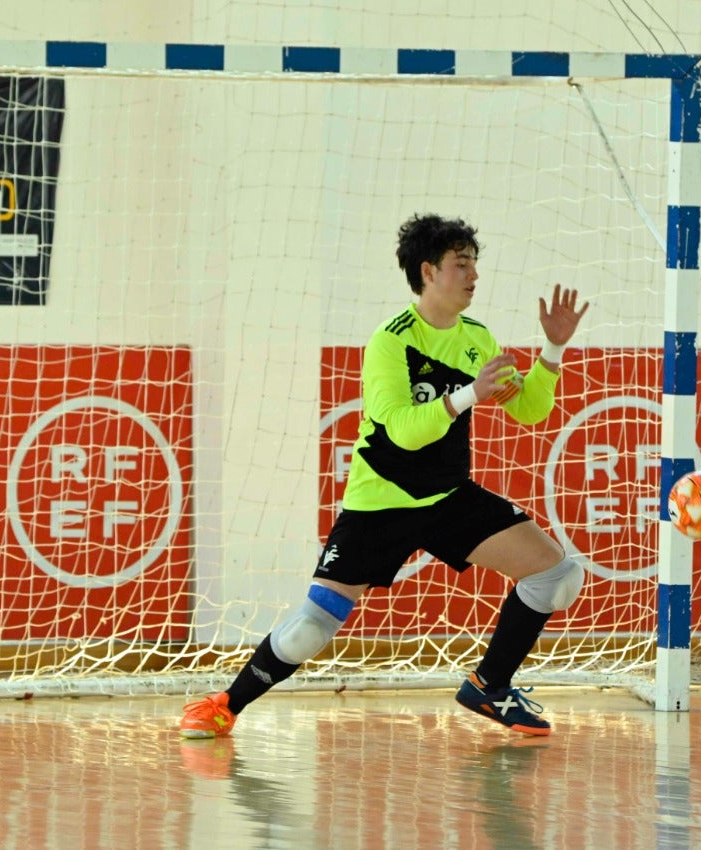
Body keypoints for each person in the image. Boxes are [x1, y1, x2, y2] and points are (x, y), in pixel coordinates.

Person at [181, 213, 589, 739]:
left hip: (446, 498)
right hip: (380, 504)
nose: (474, 275)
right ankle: (224, 705)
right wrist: (469, 395)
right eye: (461, 264)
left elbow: (531, 410)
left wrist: (552, 351)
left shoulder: (477, 339)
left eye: (474, 264)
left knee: (557, 574)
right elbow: (401, 431)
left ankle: (490, 685)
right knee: (311, 629)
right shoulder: (391, 341)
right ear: (428, 271)